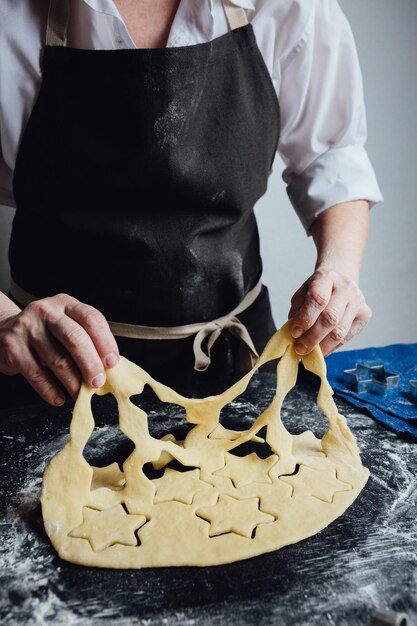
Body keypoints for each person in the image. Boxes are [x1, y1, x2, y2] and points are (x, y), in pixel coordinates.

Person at [0, 0, 383, 406]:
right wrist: (5, 320)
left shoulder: (285, 6)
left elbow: (331, 155)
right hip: (53, 372)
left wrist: (338, 271)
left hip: (239, 366)